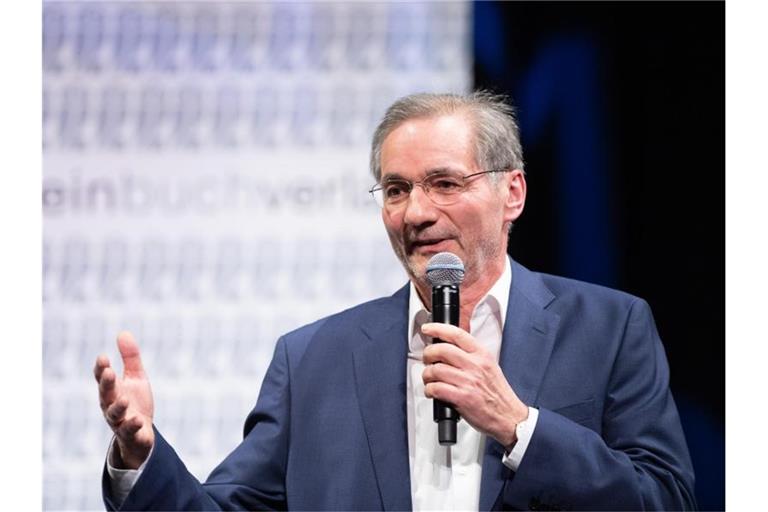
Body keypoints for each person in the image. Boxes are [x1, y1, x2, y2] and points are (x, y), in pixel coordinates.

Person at [94, 91, 697, 511]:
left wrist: (520, 428)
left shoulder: (610, 327)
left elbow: (664, 499)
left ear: (511, 192)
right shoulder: (312, 360)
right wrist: (140, 457)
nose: (416, 212)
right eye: (396, 189)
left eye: (444, 183)